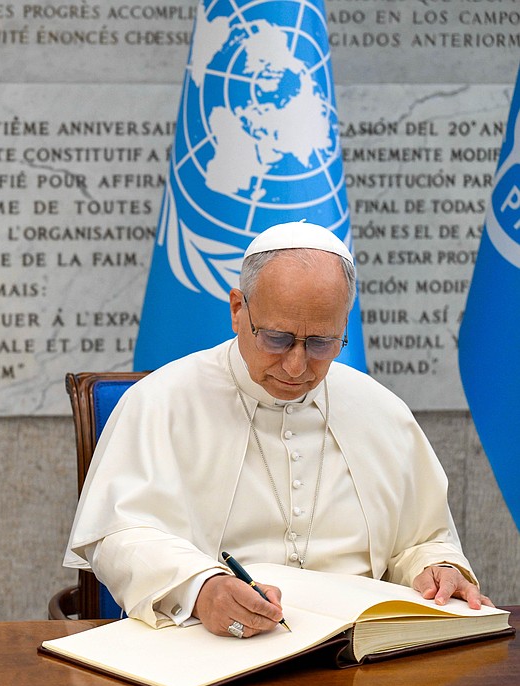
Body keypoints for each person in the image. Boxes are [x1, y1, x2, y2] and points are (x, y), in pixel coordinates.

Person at [63, 220, 490, 640]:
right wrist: (200, 587)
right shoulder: (161, 401)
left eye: (321, 343)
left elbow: (422, 539)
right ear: (237, 310)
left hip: (358, 657)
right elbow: (118, 534)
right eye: (277, 338)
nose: (296, 366)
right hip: (210, 646)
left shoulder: (380, 410)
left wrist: (438, 569)